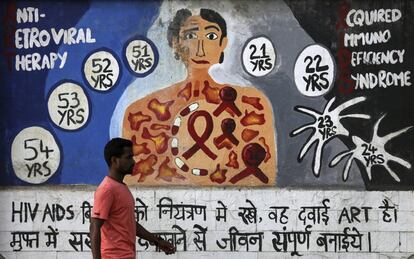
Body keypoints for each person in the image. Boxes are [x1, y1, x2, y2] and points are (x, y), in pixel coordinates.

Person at [122, 8, 277, 186]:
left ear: (223, 43)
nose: (201, 49)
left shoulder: (251, 104)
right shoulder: (141, 111)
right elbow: (136, 180)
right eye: (190, 36)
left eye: (211, 36)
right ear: (175, 43)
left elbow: (264, 177)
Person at [90, 138, 176, 259]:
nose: (133, 162)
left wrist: (157, 241)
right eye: (128, 157)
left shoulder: (120, 187)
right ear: (114, 160)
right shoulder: (107, 189)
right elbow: (94, 226)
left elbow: (129, 224)